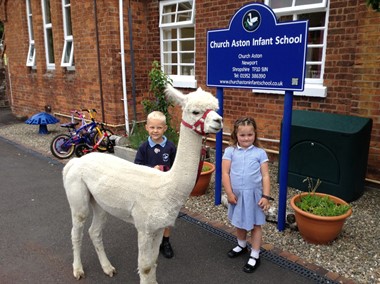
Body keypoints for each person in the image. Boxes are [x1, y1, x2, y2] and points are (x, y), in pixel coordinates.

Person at [222, 117, 271, 273]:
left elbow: (265, 176)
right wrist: (229, 193)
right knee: (239, 222)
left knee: (256, 225)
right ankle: (241, 245)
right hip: (237, 195)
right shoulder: (230, 151)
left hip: (254, 196)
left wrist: (266, 196)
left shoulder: (260, 153)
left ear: (255, 134)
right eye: (242, 135)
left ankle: (255, 254)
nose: (246, 138)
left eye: (250, 135)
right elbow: (225, 172)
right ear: (236, 135)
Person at [134, 111, 177, 258]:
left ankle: (165, 242)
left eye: (159, 127)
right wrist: (151, 170)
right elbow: (137, 166)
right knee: (150, 215)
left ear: (165, 128)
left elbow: (176, 167)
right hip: (149, 188)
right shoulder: (144, 147)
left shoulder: (170, 147)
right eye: (152, 127)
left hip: (166, 189)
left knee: (166, 216)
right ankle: (151, 240)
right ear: (146, 127)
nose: (155, 131)